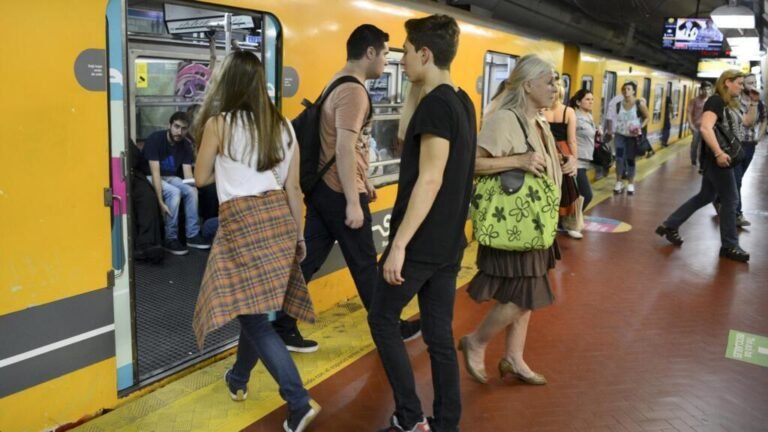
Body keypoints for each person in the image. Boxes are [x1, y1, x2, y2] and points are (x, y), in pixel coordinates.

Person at [271, 24, 421, 353]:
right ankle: (388, 326)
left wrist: (363, 181)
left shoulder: (336, 81)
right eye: (384, 53)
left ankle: (281, 323)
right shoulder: (354, 91)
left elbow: (341, 147)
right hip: (339, 193)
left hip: (326, 190)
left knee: (309, 257)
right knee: (366, 263)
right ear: (369, 53)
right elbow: (342, 148)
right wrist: (353, 200)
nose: (386, 60)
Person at [191, 51, 320, 431]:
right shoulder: (281, 126)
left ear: (227, 84)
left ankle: (298, 402)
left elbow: (199, 178)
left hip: (242, 223)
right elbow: (293, 187)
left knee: (255, 319)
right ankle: (238, 378)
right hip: (279, 218)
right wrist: (299, 235)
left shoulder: (219, 123)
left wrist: (226, 166)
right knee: (257, 310)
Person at [368, 14, 476, 432]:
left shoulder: (436, 107)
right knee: (438, 336)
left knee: (381, 320)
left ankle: (411, 418)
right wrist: (416, 83)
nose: (402, 57)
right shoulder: (459, 99)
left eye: (407, 51)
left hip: (421, 243)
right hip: (449, 243)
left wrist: (398, 245)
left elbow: (429, 179)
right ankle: (446, 422)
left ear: (425, 53)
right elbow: (403, 134)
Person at [458, 54, 576, 389]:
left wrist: (561, 163)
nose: (556, 88)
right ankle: (477, 341)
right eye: (550, 81)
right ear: (528, 85)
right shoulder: (504, 119)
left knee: (525, 295)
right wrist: (519, 160)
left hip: (535, 223)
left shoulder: (536, 121)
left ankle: (514, 357)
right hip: (515, 222)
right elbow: (473, 165)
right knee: (526, 294)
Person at [656, 69, 750, 263]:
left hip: (718, 159)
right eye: (739, 83)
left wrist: (755, 102)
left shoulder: (728, 103)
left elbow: (746, 123)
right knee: (731, 200)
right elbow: (705, 127)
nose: (742, 87)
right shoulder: (715, 101)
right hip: (718, 160)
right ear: (727, 82)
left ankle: (670, 225)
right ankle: (730, 245)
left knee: (706, 196)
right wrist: (719, 153)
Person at [143, 112, 211, 255]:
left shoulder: (186, 145)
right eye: (176, 127)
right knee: (174, 192)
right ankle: (170, 238)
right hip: (148, 176)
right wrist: (161, 202)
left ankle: (192, 235)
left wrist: (195, 187)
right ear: (170, 125)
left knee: (191, 191)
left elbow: (187, 175)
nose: (179, 132)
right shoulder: (155, 139)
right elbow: (155, 172)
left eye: (184, 128)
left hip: (170, 177)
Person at [543, 78, 582, 239]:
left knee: (548, 185)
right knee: (568, 188)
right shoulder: (568, 112)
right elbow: (572, 140)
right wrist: (574, 161)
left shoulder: (541, 110)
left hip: (546, 149)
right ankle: (570, 224)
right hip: (563, 150)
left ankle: (548, 222)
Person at [734, 73, 765, 227]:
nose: (752, 85)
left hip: (750, 145)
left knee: (737, 178)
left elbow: (764, 118)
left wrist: (759, 136)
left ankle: (719, 199)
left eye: (754, 82)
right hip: (736, 144)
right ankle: (737, 214)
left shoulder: (760, 103)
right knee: (737, 179)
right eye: (748, 83)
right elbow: (747, 123)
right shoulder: (735, 101)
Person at [129, 139, 164, 263]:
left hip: (133, 173)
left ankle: (148, 243)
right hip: (114, 173)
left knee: (148, 197)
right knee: (127, 202)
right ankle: (132, 246)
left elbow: (136, 157)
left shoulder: (122, 135)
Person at [612, 82, 650, 195]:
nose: (626, 91)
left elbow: (647, 117)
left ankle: (630, 183)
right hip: (620, 136)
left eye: (628, 89)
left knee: (630, 159)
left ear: (633, 91)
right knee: (619, 158)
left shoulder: (639, 104)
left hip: (632, 138)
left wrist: (640, 127)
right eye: (624, 89)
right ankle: (618, 182)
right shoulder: (618, 104)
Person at [571, 89, 598, 212]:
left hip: (585, 160)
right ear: (578, 102)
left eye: (592, 99)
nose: (591, 102)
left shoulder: (589, 116)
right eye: (587, 99)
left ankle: (570, 219)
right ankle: (571, 219)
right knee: (587, 195)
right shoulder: (574, 117)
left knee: (577, 195)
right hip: (577, 161)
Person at [687, 82, 712, 169]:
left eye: (708, 89)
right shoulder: (694, 100)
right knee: (695, 144)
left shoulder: (711, 101)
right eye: (704, 89)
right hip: (697, 127)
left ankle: (702, 163)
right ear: (701, 90)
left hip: (708, 127)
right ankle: (693, 160)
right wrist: (691, 124)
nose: (706, 91)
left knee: (705, 146)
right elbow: (689, 113)